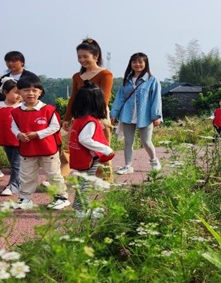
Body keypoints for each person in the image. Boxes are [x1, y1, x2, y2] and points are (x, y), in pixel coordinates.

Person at [11, 75, 70, 210]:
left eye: (34, 90)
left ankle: (61, 197)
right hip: (27, 149)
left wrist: (37, 134)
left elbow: (55, 126)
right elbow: (13, 126)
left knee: (53, 174)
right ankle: (25, 198)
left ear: (40, 92)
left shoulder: (49, 110)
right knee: (26, 175)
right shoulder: (16, 112)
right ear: (19, 92)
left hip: (48, 149)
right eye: (26, 90)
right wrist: (18, 134)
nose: (30, 93)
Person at [62, 38, 114, 181]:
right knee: (69, 146)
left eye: (85, 56)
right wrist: (66, 119)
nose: (82, 60)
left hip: (99, 115)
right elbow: (72, 99)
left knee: (101, 147)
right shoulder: (77, 76)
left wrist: (98, 118)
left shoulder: (105, 74)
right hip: (79, 115)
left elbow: (105, 98)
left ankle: (105, 180)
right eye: (79, 57)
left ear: (95, 56)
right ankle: (62, 176)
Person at [110, 52, 163, 174]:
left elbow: (156, 99)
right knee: (128, 141)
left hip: (145, 116)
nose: (137, 64)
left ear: (145, 64)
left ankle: (154, 160)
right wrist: (114, 113)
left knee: (146, 141)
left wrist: (156, 116)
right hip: (127, 115)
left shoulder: (152, 80)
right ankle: (128, 166)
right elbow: (120, 98)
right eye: (134, 62)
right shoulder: (127, 80)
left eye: (140, 62)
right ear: (130, 64)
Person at [69, 81, 115, 217]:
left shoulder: (79, 119)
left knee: (82, 184)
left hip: (79, 158)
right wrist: (105, 149)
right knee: (86, 185)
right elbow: (85, 139)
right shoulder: (90, 121)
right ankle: (82, 210)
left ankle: (81, 207)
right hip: (88, 159)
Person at [0, 78, 23, 196]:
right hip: (7, 140)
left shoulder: (24, 107)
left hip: (21, 140)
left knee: (16, 163)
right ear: (5, 92)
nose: (19, 95)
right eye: (17, 92)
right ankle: (21, 182)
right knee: (13, 161)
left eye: (21, 92)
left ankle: (13, 185)